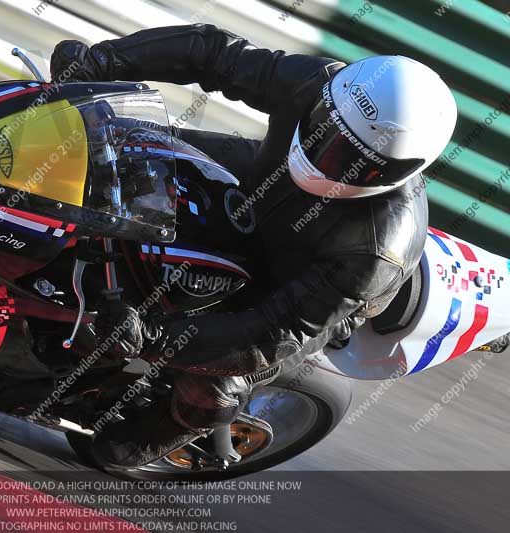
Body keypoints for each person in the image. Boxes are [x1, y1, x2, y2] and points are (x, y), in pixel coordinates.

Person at [50, 24, 458, 468]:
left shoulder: (374, 252)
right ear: (329, 99)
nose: (323, 152)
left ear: (390, 173)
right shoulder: (315, 83)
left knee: (211, 387)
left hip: (294, 282)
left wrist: (152, 340)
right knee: (118, 144)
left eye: (347, 156)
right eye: (324, 127)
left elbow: (273, 335)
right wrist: (102, 63)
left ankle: (165, 430)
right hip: (259, 182)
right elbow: (212, 53)